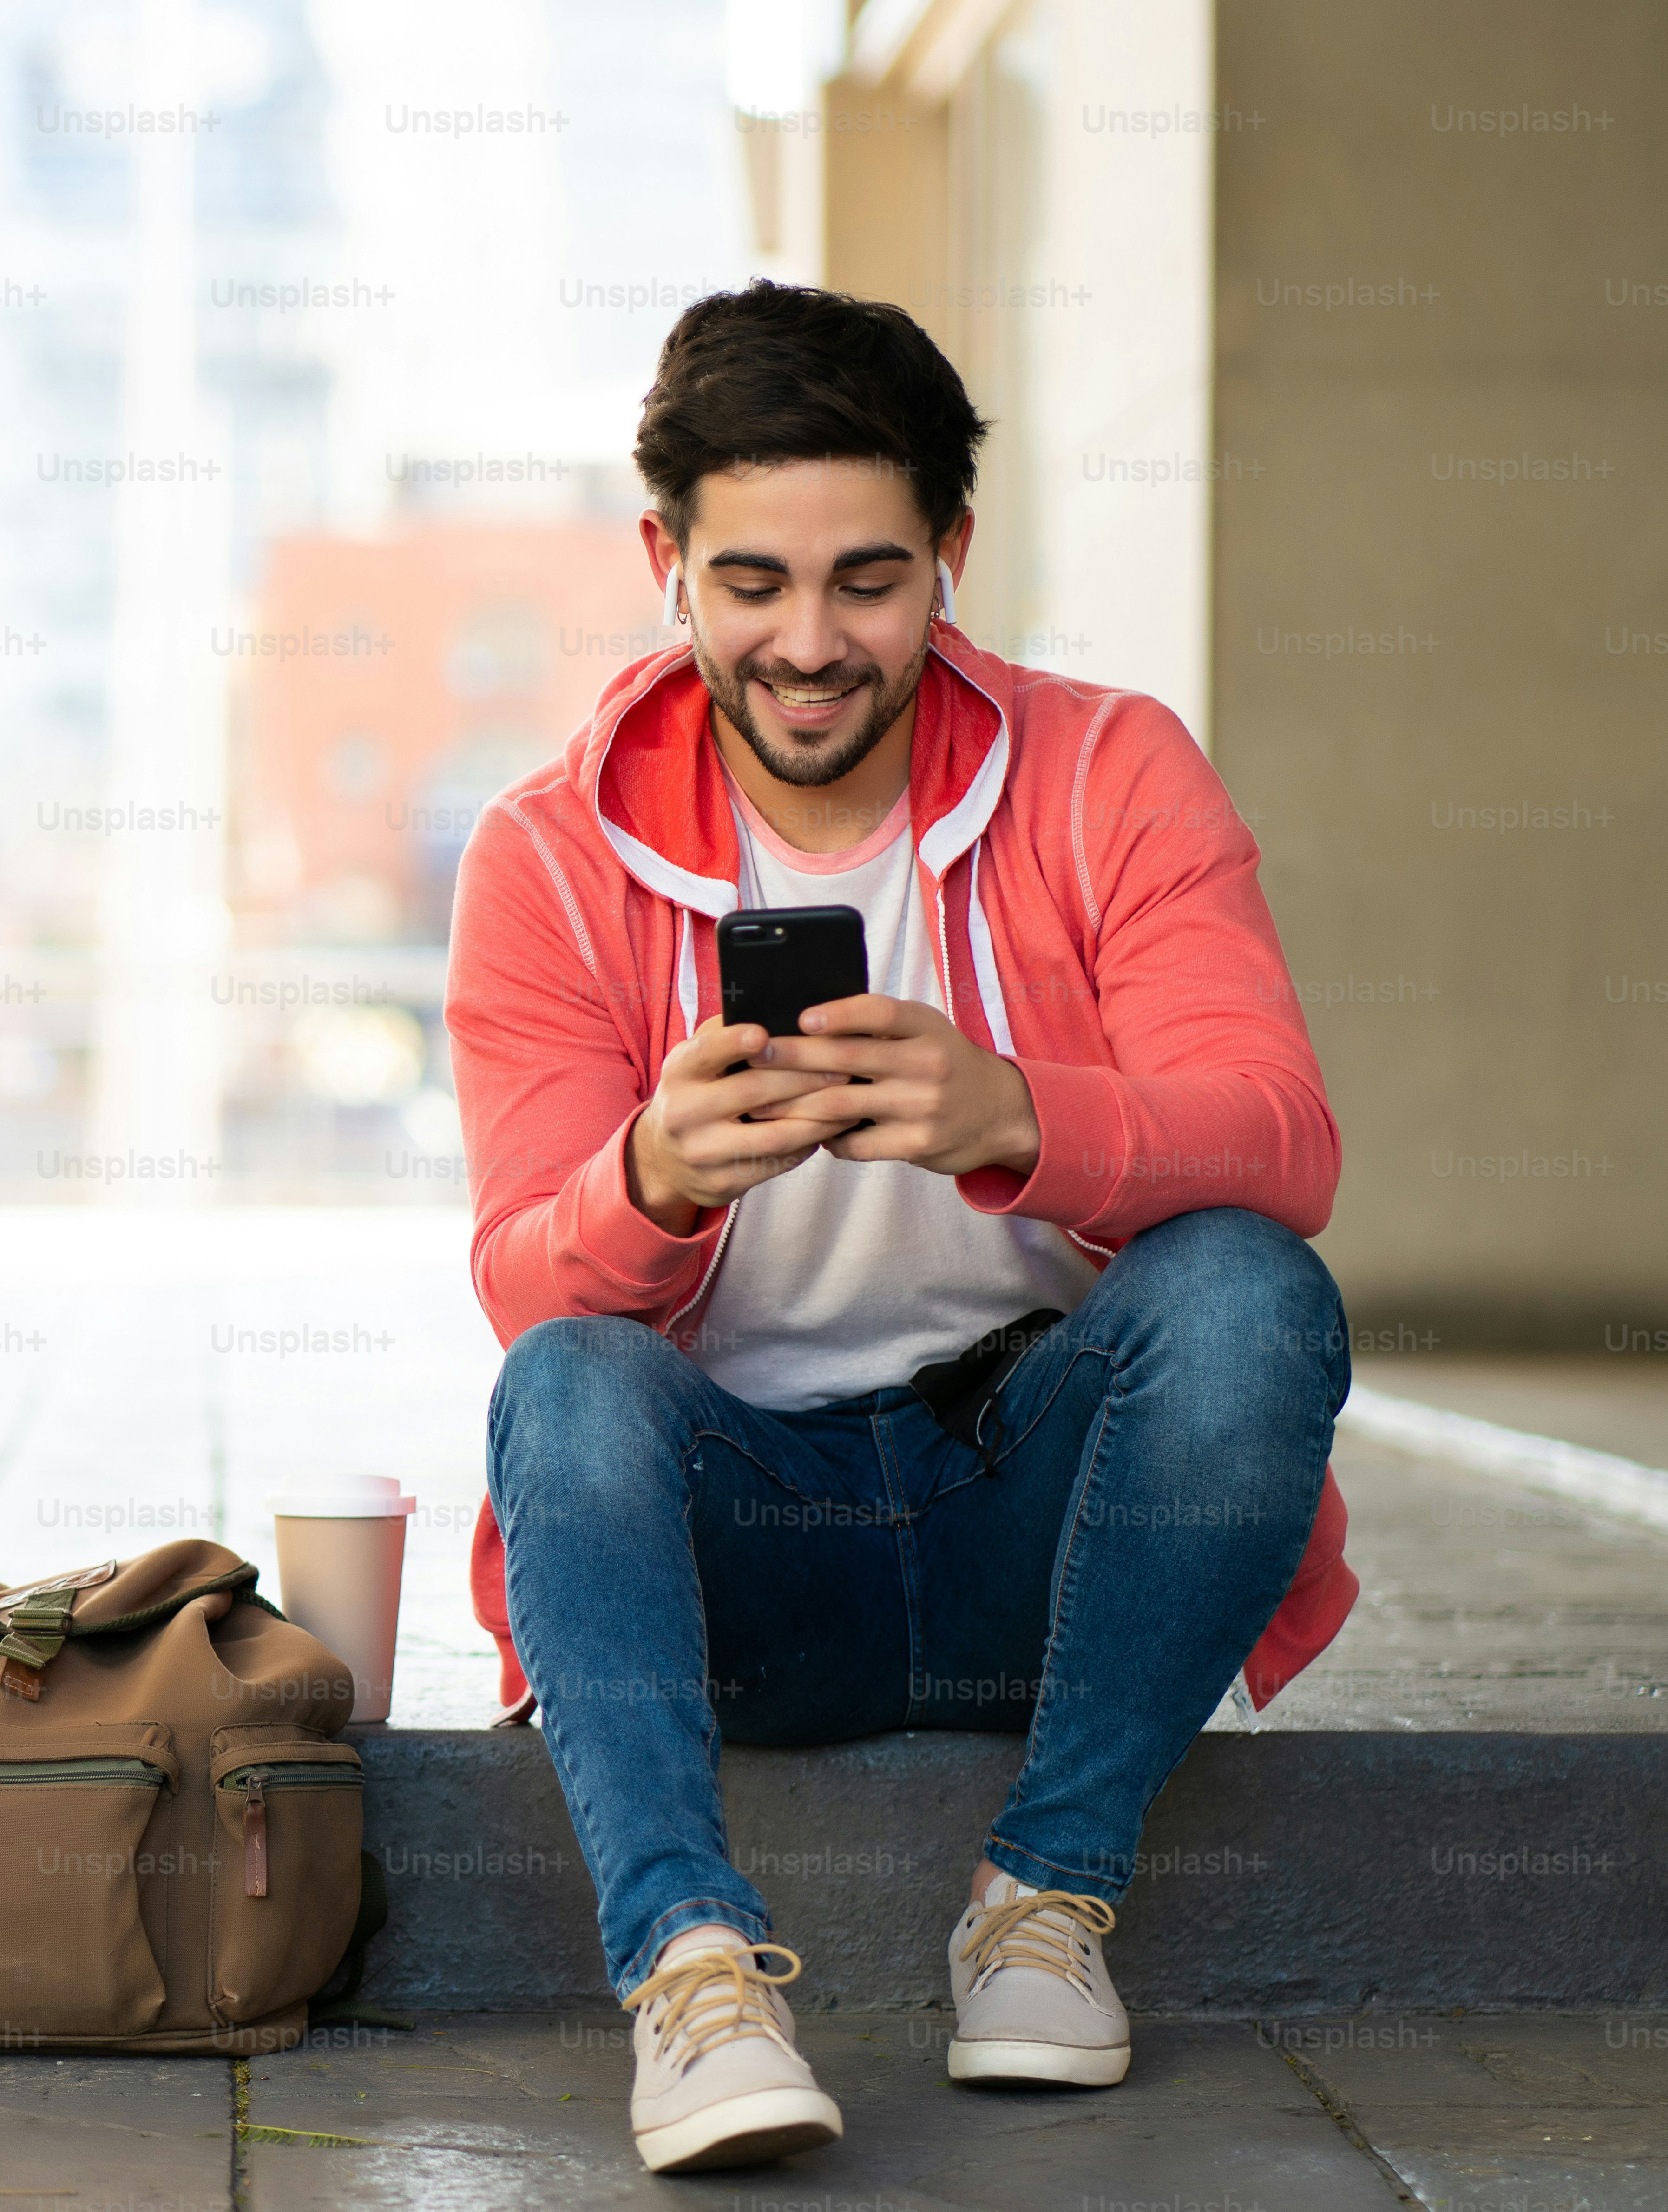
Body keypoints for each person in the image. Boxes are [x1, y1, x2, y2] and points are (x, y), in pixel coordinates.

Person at [445, 283, 1358, 2174]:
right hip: (736, 1564)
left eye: (866, 578)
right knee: (566, 1380)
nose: (805, 642)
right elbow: (520, 1275)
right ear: (664, 564)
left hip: (1043, 1527)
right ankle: (690, 1971)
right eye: (751, 580)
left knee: (1249, 1291)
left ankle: (1041, 1899)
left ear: (949, 553)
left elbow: (1279, 1144)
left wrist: (1017, 1113)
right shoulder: (541, 855)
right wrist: (652, 1177)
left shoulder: (1112, 773)